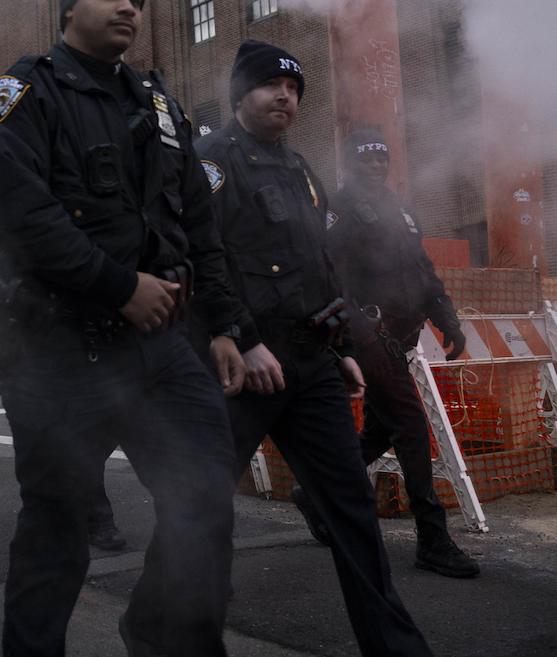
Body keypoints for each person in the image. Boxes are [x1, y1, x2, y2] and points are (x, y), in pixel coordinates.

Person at [0, 0, 248, 657]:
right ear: (69, 8)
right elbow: (19, 218)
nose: (129, 7)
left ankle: (161, 634)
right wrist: (120, 286)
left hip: (160, 349)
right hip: (59, 349)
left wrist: (223, 326)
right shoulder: (22, 94)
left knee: (206, 499)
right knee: (58, 527)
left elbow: (198, 225)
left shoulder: (158, 104)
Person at [196, 40, 435, 656]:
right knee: (199, 504)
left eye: (294, 88)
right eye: (271, 85)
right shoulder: (211, 162)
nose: (285, 96)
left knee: (352, 508)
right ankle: (180, 625)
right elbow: (203, 259)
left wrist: (340, 344)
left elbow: (320, 271)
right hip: (243, 370)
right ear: (239, 94)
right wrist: (243, 341)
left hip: (310, 364)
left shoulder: (302, 172)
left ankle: (396, 647)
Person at [321, 127, 478, 578]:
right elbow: (329, 276)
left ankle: (316, 495)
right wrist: (353, 333)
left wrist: (448, 320)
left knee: (381, 431)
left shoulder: (402, 211)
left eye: (381, 158)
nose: (376, 165)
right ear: (351, 163)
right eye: (366, 159)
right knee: (410, 425)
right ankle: (432, 537)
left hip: (399, 339)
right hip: (370, 337)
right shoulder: (340, 208)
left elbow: (424, 272)